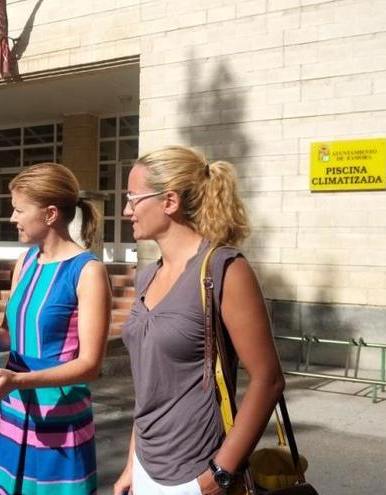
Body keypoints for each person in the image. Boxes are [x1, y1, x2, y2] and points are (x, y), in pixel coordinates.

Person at [113, 146, 285, 495]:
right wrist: (132, 463)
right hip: (146, 467)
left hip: (197, 473)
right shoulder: (146, 277)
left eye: (133, 198)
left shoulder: (225, 269)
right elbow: (150, 384)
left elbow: (268, 380)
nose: (126, 209)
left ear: (169, 201)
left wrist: (218, 476)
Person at [0, 162, 112, 495]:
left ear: (50, 214)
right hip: (13, 409)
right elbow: (11, 334)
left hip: (58, 420)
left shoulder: (88, 271)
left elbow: (90, 365)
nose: (12, 218)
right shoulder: (24, 262)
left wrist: (18, 380)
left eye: (19, 210)